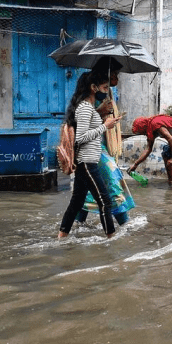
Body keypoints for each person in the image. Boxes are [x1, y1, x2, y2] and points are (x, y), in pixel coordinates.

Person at [58, 70, 122, 239]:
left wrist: (104, 119)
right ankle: (111, 239)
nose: (106, 91)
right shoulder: (85, 108)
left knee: (77, 202)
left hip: (86, 162)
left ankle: (62, 236)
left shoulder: (88, 108)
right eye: (104, 87)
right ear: (93, 88)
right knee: (105, 202)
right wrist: (104, 126)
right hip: (87, 162)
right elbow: (80, 138)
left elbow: (89, 131)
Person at [74, 65, 135, 227]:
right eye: (113, 76)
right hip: (91, 151)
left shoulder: (103, 97)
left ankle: (73, 227)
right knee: (112, 180)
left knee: (86, 190)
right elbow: (81, 134)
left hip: (98, 148)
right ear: (94, 87)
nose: (116, 80)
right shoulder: (86, 105)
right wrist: (102, 117)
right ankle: (122, 225)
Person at [129, 114, 172, 185]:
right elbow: (148, 149)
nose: (142, 134)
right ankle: (171, 182)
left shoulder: (155, 124)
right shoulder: (150, 130)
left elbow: (171, 139)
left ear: (142, 127)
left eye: (140, 132)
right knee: (166, 154)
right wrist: (135, 164)